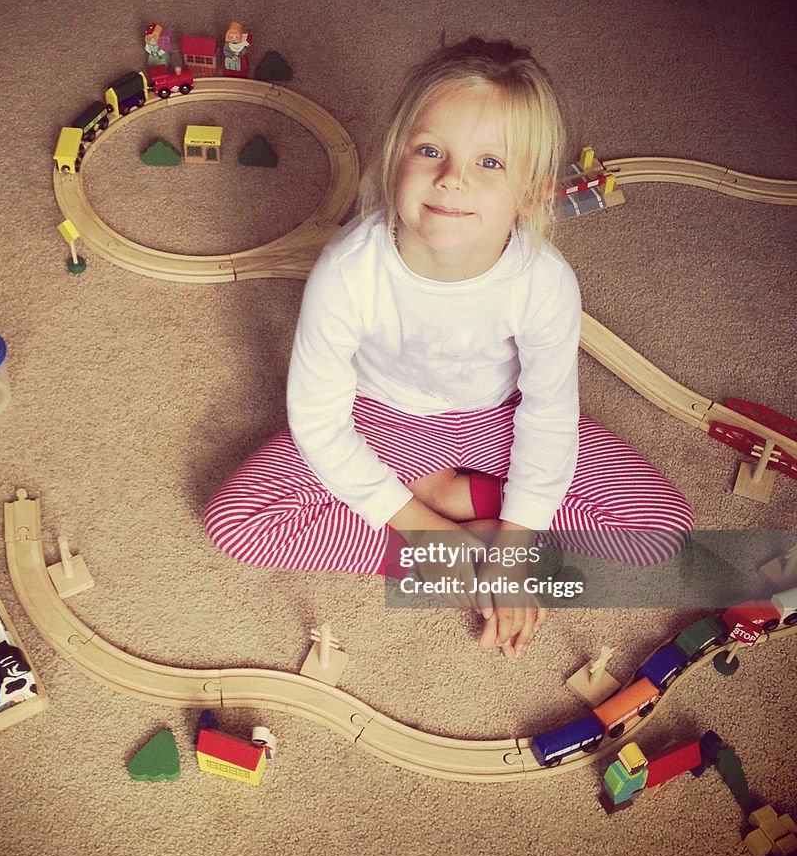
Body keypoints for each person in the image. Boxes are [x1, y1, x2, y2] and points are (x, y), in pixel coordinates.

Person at [204, 37, 694, 660]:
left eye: (491, 163)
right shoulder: (348, 270)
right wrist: (431, 532)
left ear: (533, 190)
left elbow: (548, 414)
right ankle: (446, 528)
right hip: (377, 418)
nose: (453, 177)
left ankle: (457, 493)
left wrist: (510, 541)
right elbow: (320, 419)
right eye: (430, 150)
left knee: (662, 536)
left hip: (498, 419)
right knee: (237, 523)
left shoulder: (545, 282)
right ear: (395, 158)